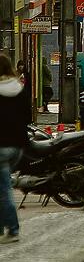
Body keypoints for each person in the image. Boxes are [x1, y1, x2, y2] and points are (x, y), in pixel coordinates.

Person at [0, 54, 32, 243]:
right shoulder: (19, 88)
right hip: (18, 146)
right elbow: (27, 117)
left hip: (1, 148)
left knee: (4, 189)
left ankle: (12, 229)